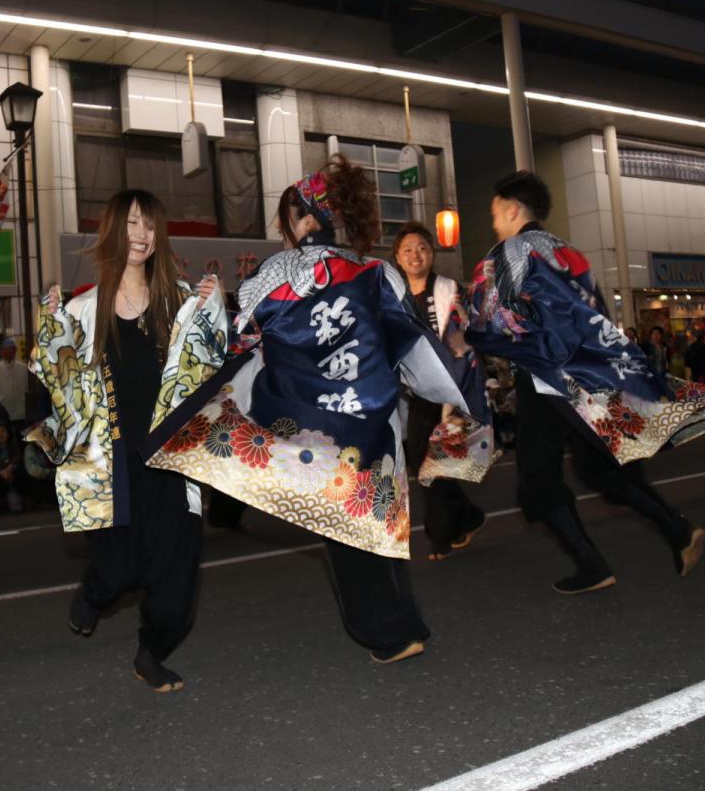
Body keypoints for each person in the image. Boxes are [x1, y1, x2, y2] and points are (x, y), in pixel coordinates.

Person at [143, 156, 494, 663]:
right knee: (382, 516)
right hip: (377, 416)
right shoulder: (378, 272)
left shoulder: (276, 273)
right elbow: (411, 342)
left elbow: (240, 339)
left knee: (343, 523)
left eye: (287, 219)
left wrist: (204, 322)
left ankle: (389, 633)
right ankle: (406, 622)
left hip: (317, 424)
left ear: (301, 220)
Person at [452, 171, 705, 593]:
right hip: (589, 373)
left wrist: (465, 332)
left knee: (537, 482)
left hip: (544, 374)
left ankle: (593, 563)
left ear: (512, 209)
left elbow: (493, 315)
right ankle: (675, 528)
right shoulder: (569, 253)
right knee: (599, 467)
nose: (493, 223)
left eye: (494, 213)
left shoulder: (511, 252)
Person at [28, 189, 224, 692]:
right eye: (132, 224)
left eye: (150, 225)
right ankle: (95, 594)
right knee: (119, 568)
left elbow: (212, 367)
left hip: (170, 461)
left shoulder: (179, 301)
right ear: (113, 231)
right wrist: (50, 327)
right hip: (107, 467)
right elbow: (55, 379)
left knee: (176, 579)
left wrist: (214, 309)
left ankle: (151, 651)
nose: (141, 235)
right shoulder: (81, 309)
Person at [393, 220, 487, 560]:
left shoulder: (449, 289)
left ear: (431, 254)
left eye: (421, 248)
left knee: (435, 468)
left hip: (450, 388)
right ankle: (469, 516)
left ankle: (441, 538)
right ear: (398, 259)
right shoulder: (395, 299)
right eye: (407, 251)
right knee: (425, 466)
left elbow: (464, 338)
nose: (415, 255)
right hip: (418, 394)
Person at [0, 337, 31, 434]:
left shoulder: (24, 368)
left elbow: (28, 389)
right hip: (2, 412)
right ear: (1, 351)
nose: (7, 352)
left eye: (10, 350)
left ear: (15, 351)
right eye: (5, 350)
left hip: (21, 411)